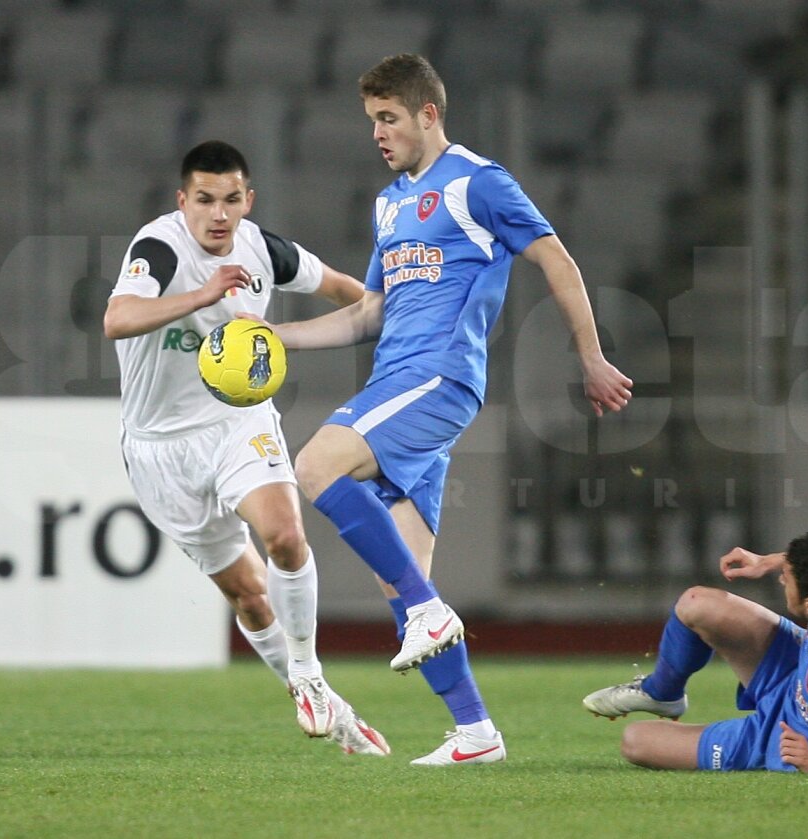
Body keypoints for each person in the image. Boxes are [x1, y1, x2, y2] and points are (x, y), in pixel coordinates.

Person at [266, 54, 633, 766]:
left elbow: (556, 259)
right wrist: (278, 336)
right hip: (400, 383)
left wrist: (590, 356)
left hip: (438, 379)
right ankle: (476, 732)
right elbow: (367, 313)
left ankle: (430, 613)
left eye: (389, 118)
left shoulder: (477, 181)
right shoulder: (389, 204)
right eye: (372, 120)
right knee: (401, 579)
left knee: (314, 465)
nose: (378, 133)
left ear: (428, 114)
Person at [103, 140, 389, 757]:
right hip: (160, 447)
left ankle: (307, 673)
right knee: (250, 597)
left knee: (285, 536)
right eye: (205, 200)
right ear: (182, 201)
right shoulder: (158, 247)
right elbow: (117, 319)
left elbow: (351, 293)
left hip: (238, 422)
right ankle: (327, 705)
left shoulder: (263, 249)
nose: (219, 214)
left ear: (248, 200)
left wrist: (407, 317)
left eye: (231, 200)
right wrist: (202, 295)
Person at [583, 532, 808, 773]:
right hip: (798, 670)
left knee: (636, 741)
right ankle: (662, 694)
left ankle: (754, 747)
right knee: (696, 602)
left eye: (787, 577)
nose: (781, 579)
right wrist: (768, 561)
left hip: (795, 735)